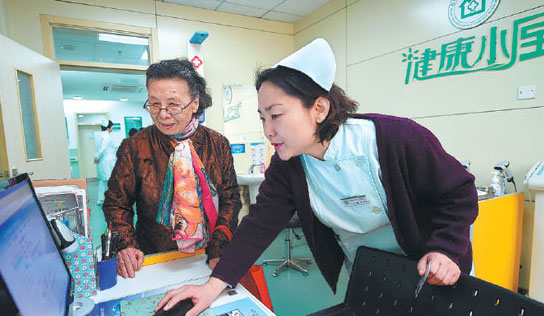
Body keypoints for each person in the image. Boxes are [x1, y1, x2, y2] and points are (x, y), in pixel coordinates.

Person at [155, 39, 478, 315]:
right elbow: (259, 223)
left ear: (319, 109)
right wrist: (213, 286)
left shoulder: (396, 137)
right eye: (263, 118)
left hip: (431, 266)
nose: (268, 130)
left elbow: (458, 193)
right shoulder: (289, 163)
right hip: (370, 270)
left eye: (277, 115)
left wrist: (446, 249)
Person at [103, 58, 241, 278]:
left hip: (209, 256)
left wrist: (220, 247)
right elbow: (116, 203)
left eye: (173, 104)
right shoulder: (135, 147)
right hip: (155, 259)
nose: (163, 114)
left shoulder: (217, 144)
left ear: (195, 103)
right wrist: (127, 246)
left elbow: (230, 199)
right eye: (154, 104)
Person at [94, 119, 117, 205]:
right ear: (108, 128)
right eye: (112, 127)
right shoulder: (106, 136)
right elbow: (103, 148)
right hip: (108, 162)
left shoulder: (99, 135)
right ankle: (110, 199)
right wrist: (97, 156)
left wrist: (96, 156)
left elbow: (97, 148)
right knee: (110, 181)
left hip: (103, 162)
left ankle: (101, 199)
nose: (112, 129)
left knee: (103, 181)